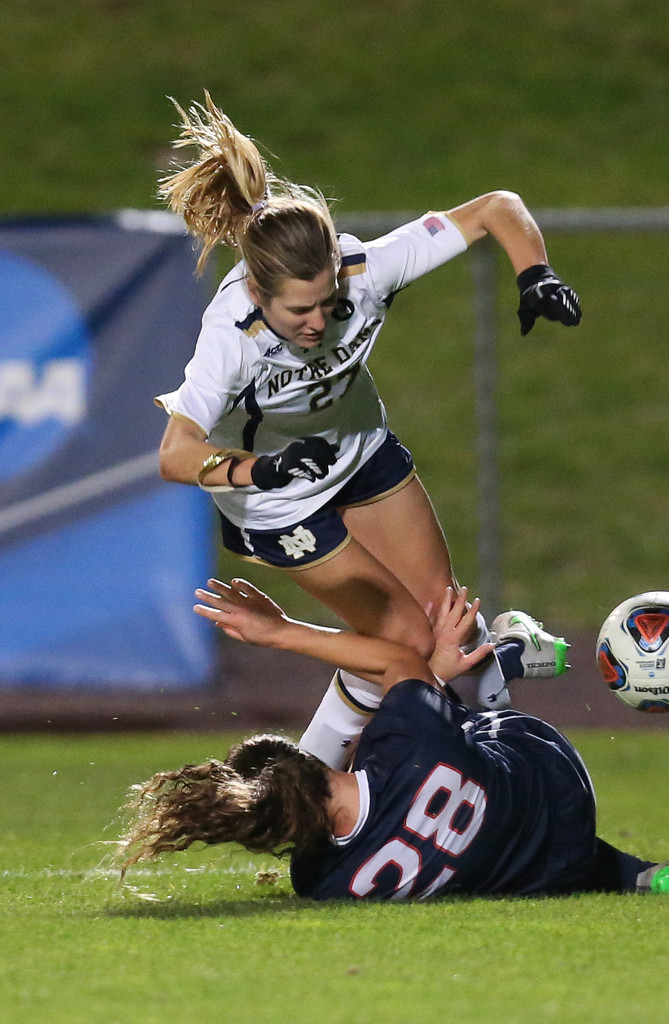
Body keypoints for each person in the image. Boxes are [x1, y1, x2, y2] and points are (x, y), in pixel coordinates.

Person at [152, 93, 579, 766]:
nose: (318, 322)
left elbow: (497, 207)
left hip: (360, 453)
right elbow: (175, 455)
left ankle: (487, 741)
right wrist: (259, 469)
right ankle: (315, 791)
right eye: (299, 311)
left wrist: (535, 274)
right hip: (279, 501)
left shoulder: (364, 271)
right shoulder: (230, 335)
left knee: (446, 626)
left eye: (326, 302)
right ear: (259, 293)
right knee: (406, 645)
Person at [116, 579, 669, 901]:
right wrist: (279, 631)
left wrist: (431, 676)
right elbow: (394, 660)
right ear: (304, 763)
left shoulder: (319, 880)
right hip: (552, 772)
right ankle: (503, 657)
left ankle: (635, 877)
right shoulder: (403, 742)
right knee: (418, 684)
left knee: (494, 843)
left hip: (549, 867)